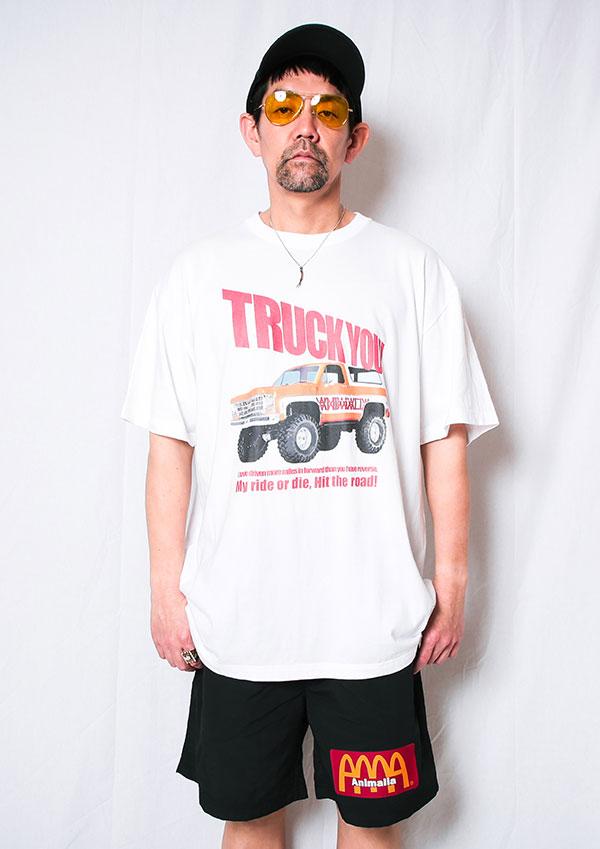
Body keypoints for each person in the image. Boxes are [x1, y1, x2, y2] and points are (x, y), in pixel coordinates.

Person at [120, 21, 500, 847]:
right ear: (252, 130)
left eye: (328, 111)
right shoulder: (196, 276)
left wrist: (453, 576)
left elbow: (443, 437)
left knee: (371, 823)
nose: (305, 125)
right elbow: (170, 443)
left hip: (373, 620)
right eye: (285, 106)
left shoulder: (412, 271)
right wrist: (164, 589)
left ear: (353, 138)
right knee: (249, 818)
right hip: (237, 618)